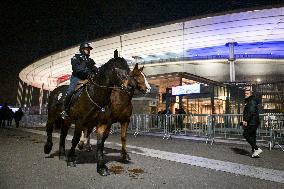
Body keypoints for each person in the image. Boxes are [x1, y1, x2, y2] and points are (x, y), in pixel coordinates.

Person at [61, 42, 98, 119]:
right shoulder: (75, 58)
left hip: (87, 78)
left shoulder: (91, 60)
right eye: (87, 49)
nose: (88, 51)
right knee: (70, 92)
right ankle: (64, 110)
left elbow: (95, 69)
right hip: (76, 78)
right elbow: (77, 69)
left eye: (89, 49)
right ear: (82, 50)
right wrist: (89, 71)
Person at [242, 89, 263, 158]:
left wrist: (246, 120)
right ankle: (254, 152)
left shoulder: (251, 101)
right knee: (253, 136)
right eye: (245, 93)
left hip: (252, 122)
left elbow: (251, 112)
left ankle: (257, 149)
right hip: (254, 121)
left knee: (245, 134)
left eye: (247, 93)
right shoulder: (250, 100)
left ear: (250, 94)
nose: (245, 94)